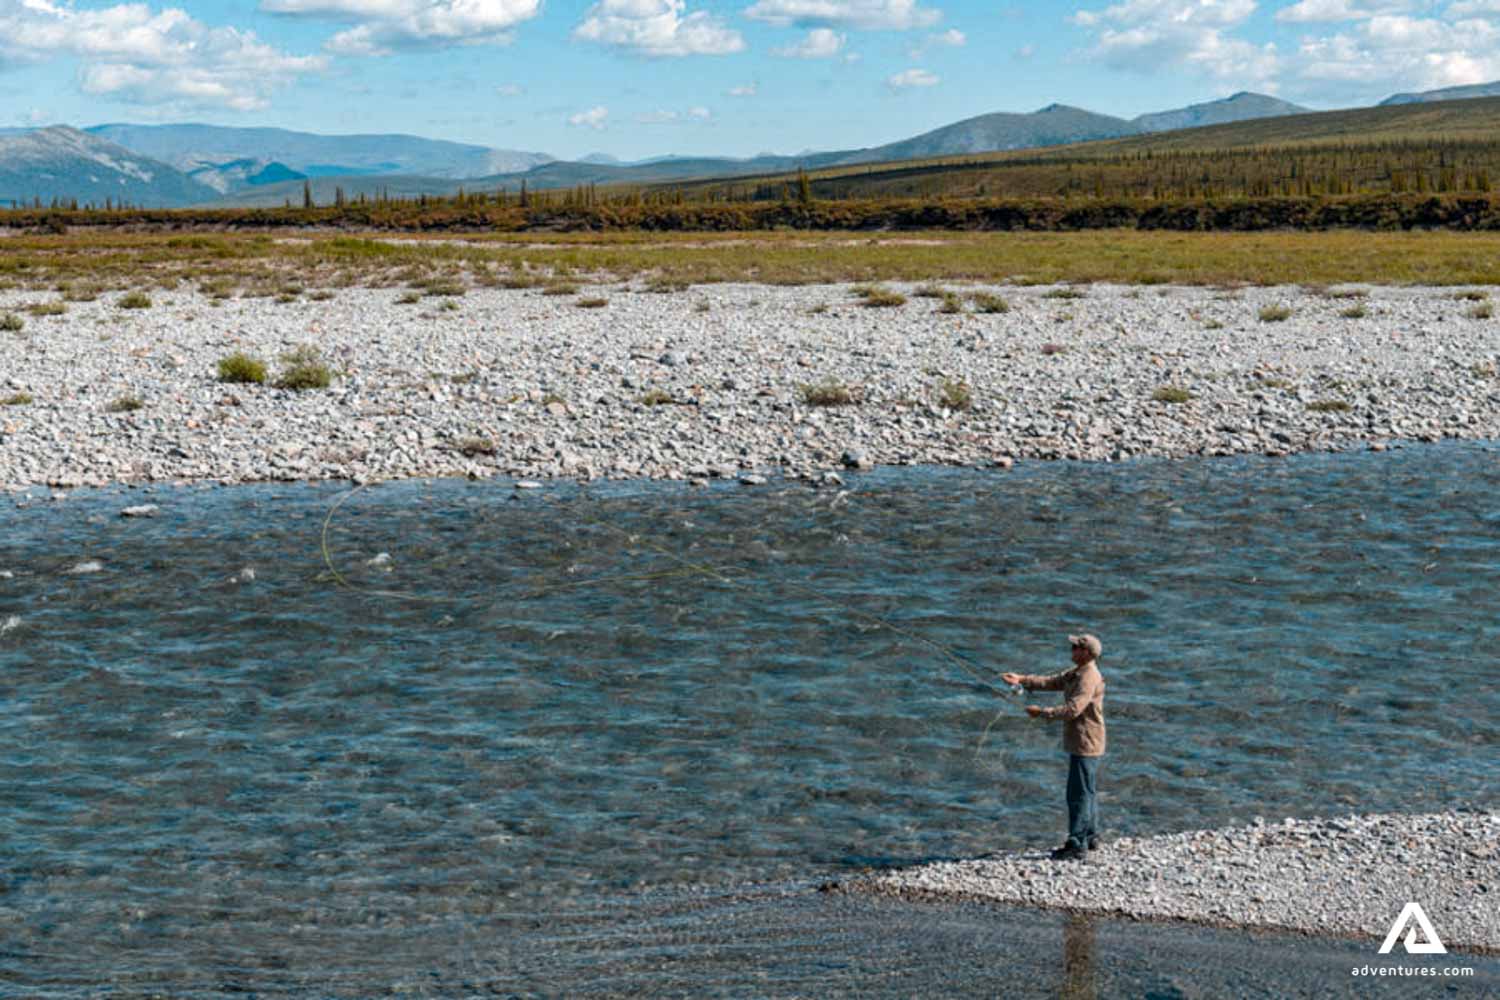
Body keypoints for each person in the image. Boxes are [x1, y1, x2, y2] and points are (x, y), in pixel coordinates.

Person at [1001, 634, 1106, 862]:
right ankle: (1091, 836)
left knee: (1078, 794)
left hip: (1086, 742)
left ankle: (1076, 844)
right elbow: (1052, 682)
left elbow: (1073, 709)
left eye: (1075, 647)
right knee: (1087, 790)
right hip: (1085, 740)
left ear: (1086, 653)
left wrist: (1042, 713)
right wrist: (1021, 679)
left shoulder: (1088, 677)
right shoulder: (1078, 671)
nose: (1071, 649)